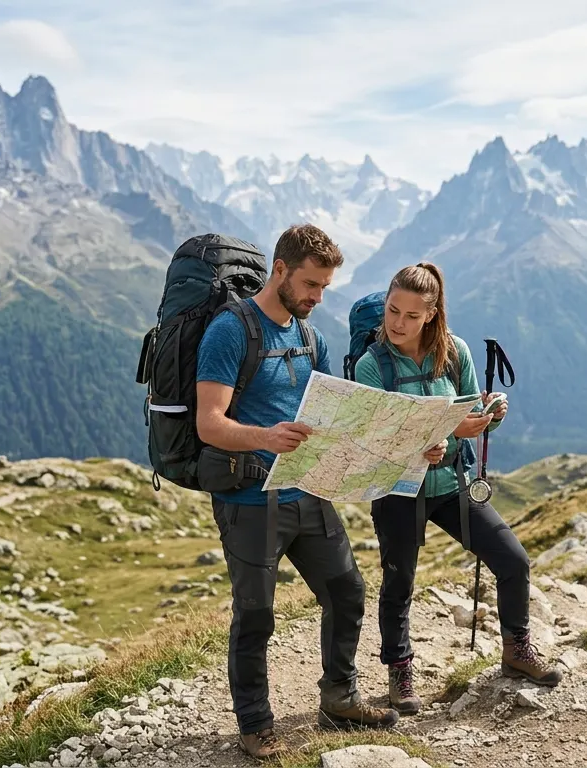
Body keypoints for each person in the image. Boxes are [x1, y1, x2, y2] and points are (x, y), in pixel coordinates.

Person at [195, 223, 399, 760]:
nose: (317, 297)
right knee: (256, 613)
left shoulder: (312, 337)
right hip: (248, 499)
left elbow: (332, 416)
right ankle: (256, 724)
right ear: (279, 270)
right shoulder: (230, 332)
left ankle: (339, 700)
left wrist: (396, 447)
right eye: (311, 284)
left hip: (307, 490)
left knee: (347, 593)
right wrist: (266, 437)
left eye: (326, 287)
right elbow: (209, 424)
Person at [352, 261, 562, 716]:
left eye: (410, 315)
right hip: (398, 490)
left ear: (430, 314)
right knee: (400, 581)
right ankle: (400, 672)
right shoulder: (372, 366)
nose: (397, 324)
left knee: (513, 560)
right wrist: (423, 445)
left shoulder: (454, 351)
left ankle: (516, 649)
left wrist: (492, 413)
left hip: (452, 483)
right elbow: (372, 439)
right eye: (392, 311)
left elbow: (470, 411)